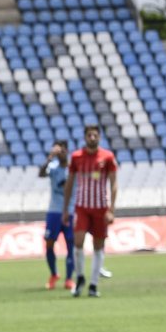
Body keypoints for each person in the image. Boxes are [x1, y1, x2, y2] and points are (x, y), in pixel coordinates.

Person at [62, 124, 118, 298]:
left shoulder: (107, 157)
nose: (92, 138)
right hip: (82, 207)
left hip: (101, 208)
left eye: (95, 135)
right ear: (85, 137)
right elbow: (70, 183)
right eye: (89, 135)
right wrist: (65, 209)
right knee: (77, 242)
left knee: (98, 246)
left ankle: (93, 285)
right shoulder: (77, 157)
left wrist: (111, 209)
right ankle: (80, 278)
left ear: (99, 137)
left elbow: (114, 183)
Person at [39, 140, 76, 290]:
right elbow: (41, 174)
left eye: (62, 150)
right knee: (49, 243)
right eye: (57, 150)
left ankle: (69, 278)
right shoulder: (53, 167)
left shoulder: (74, 168)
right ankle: (54, 274)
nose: (60, 153)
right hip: (54, 211)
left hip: (71, 211)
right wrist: (49, 157)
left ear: (66, 151)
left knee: (71, 245)